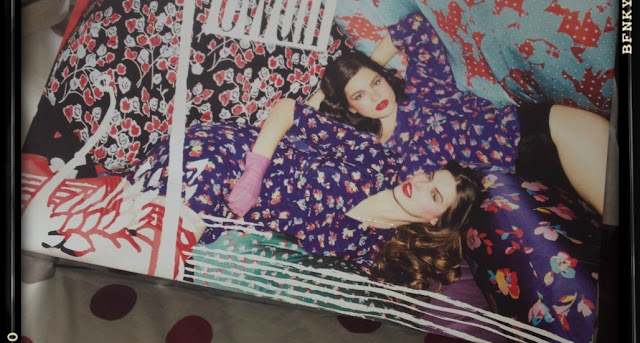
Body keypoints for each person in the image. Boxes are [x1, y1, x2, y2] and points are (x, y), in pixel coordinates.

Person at [231, 12, 610, 215]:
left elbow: (414, 28)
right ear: (351, 107)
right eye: (360, 95)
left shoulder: (424, 91)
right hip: (524, 184)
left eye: (376, 82)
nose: (376, 95)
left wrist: (364, 66)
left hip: (543, 135)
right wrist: (327, 96)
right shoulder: (378, 152)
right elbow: (293, 118)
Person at [127, 103, 480, 291]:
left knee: (163, 253)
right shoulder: (376, 160)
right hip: (234, 154)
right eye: (428, 176)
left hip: (227, 213)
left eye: (434, 194)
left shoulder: (371, 248)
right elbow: (288, 110)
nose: (419, 183)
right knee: (164, 244)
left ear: (435, 220)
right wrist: (254, 172)